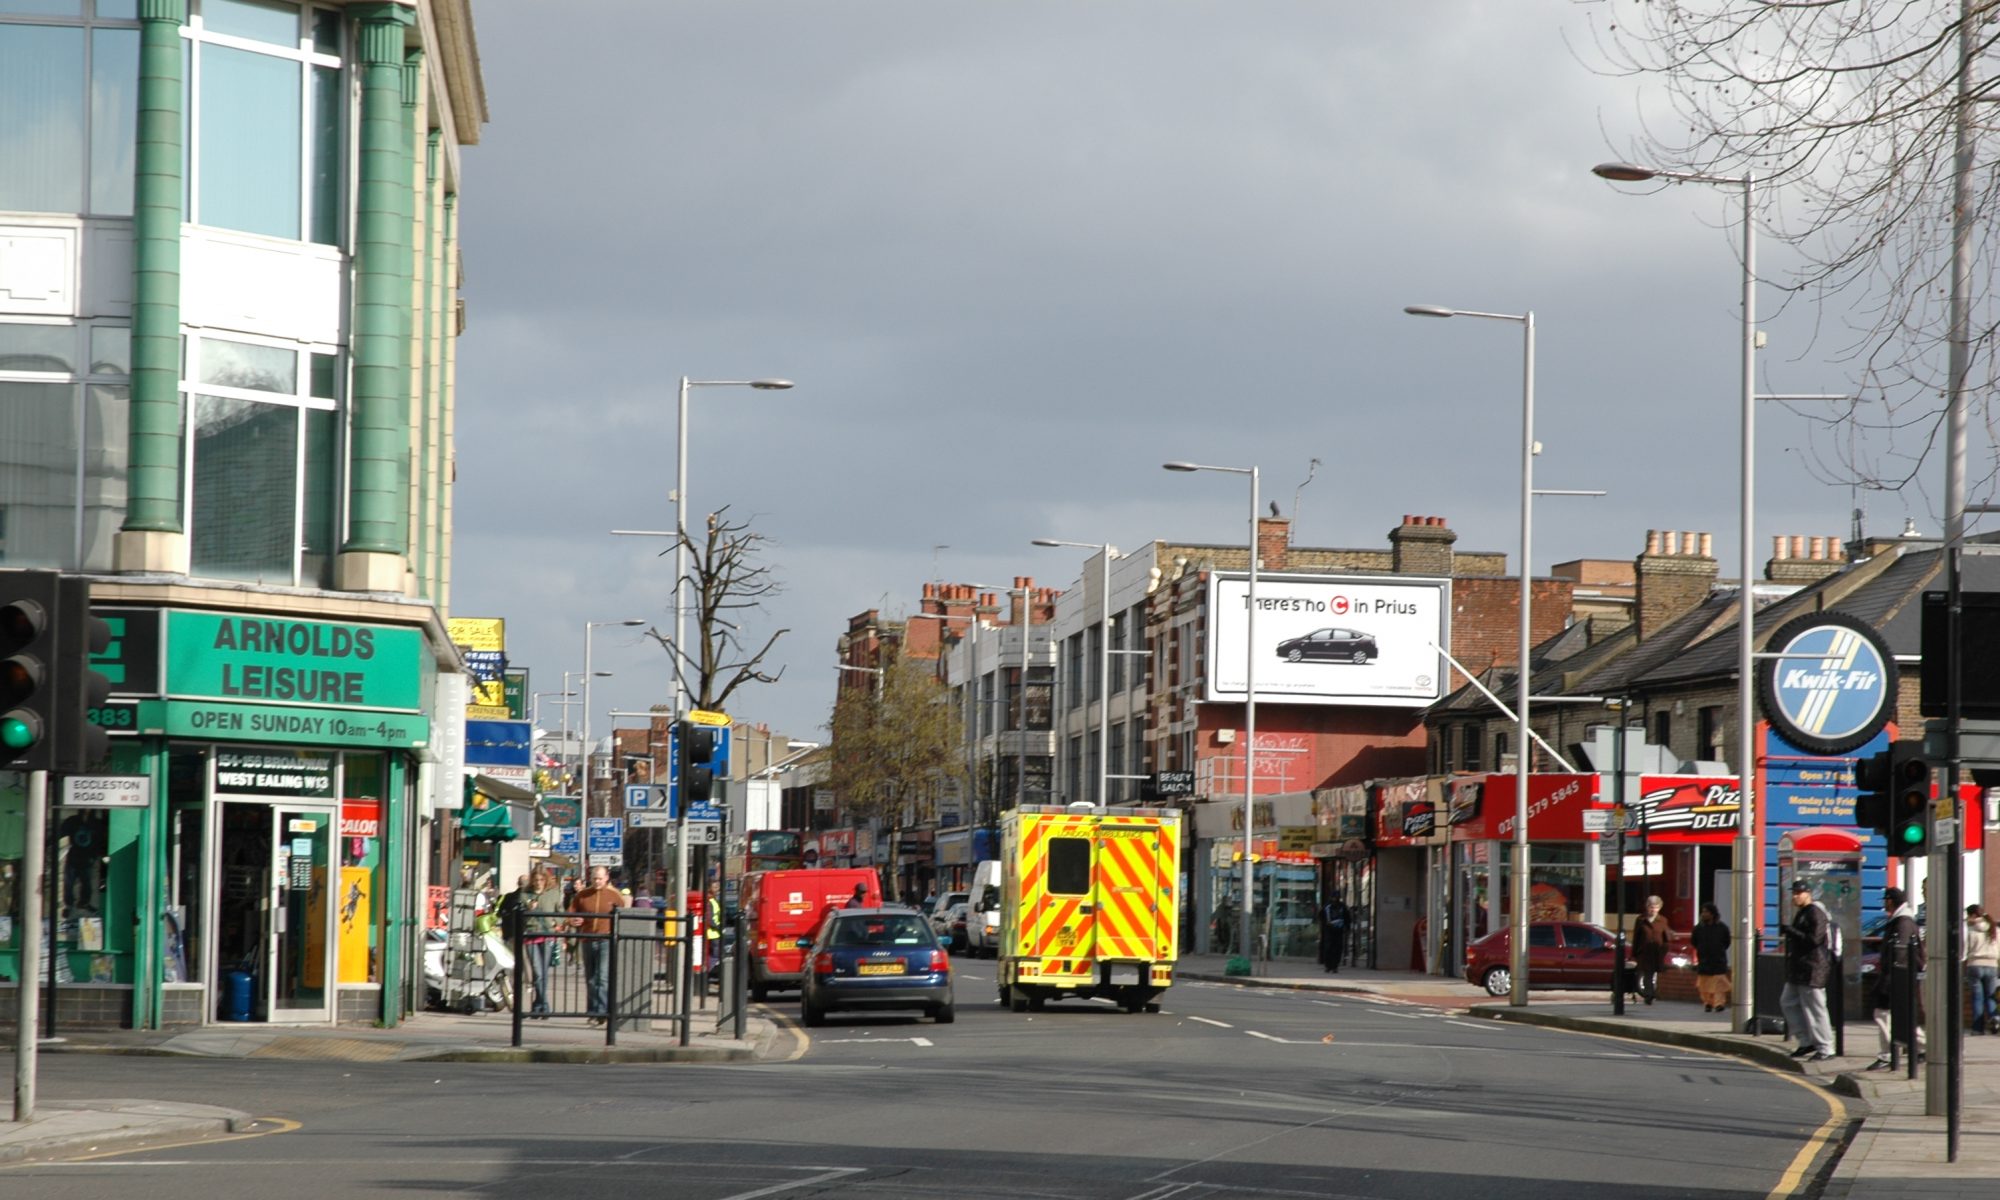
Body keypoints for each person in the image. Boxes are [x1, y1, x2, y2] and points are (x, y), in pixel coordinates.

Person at [1868, 886, 1927, 1069]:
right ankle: (1922, 1048)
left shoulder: (1903, 921)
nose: (1884, 904)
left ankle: (1888, 1055)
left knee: (1883, 1013)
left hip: (1897, 975)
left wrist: (1890, 971)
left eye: (1885, 900)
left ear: (1891, 901)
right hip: (1896, 974)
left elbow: (1900, 950)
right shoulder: (1900, 920)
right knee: (1899, 1015)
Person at [1778, 880, 1835, 1062]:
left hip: (1813, 968)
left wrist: (1791, 931)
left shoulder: (1815, 912)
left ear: (1808, 893)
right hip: (1799, 968)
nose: (1795, 896)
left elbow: (1814, 940)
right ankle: (1806, 1041)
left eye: (1799, 893)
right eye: (1794, 892)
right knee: (1788, 1002)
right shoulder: (1803, 912)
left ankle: (1826, 1047)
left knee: (1816, 1009)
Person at [569, 866, 622, 1024]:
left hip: (606, 940)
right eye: (594, 878)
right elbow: (570, 913)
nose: (597, 881)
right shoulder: (582, 895)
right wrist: (574, 920)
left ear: (606, 878)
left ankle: (602, 1011)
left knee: (602, 977)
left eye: (600, 878)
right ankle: (592, 1010)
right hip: (587, 939)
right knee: (591, 978)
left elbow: (623, 912)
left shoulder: (614, 896)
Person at [523, 868, 563, 1017]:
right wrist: (527, 908)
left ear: (546, 880)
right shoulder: (525, 894)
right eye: (536, 880)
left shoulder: (553, 893)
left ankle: (539, 1005)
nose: (538, 883)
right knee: (537, 971)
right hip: (531, 934)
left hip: (547, 935)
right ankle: (543, 1004)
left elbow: (560, 911)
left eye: (541, 880)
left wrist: (556, 923)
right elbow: (519, 913)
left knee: (543, 973)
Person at [1629, 895, 1673, 1005]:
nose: (1653, 910)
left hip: (1657, 952)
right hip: (1644, 953)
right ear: (1647, 907)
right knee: (1647, 974)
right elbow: (1636, 938)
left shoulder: (1663, 920)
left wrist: (1664, 950)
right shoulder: (1640, 920)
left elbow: (1666, 937)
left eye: (1655, 907)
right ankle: (1649, 995)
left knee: (1656, 974)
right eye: (1651, 907)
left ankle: (1654, 993)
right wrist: (1634, 954)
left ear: (1659, 908)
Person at [1690, 902, 1732, 1013]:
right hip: (1704, 960)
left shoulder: (1722, 928)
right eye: (1703, 912)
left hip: (1718, 960)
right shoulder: (1698, 928)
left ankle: (1719, 1004)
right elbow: (1694, 942)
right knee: (1704, 985)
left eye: (1706, 912)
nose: (1704, 914)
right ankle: (1708, 1003)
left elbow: (1727, 942)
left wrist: (1718, 949)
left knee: (1719, 984)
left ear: (1712, 914)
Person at [1966, 904, 1999, 1036]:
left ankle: (1977, 1028)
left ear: (1973, 915)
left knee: (1977, 998)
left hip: (1974, 964)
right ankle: (1994, 1023)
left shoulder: (1971, 930)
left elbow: (1965, 949)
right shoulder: (1994, 929)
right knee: (1991, 997)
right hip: (1992, 965)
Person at [1319, 893, 1350, 974]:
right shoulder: (1327, 906)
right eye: (1334, 897)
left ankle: (1334, 966)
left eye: (1336, 897)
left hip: (1338, 930)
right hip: (1330, 930)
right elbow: (1321, 916)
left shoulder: (1342, 906)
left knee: (1337, 949)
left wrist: (1347, 927)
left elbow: (1347, 918)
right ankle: (1329, 966)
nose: (1335, 899)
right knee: (1329, 948)